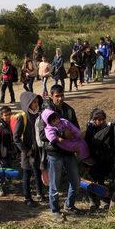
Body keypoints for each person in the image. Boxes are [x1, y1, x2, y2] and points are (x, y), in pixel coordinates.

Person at [39, 85, 81, 221]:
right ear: (51, 96)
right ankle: (55, 211)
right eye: (57, 96)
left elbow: (76, 129)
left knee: (75, 181)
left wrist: (75, 141)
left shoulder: (69, 110)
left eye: (62, 95)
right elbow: (42, 135)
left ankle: (69, 205)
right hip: (54, 153)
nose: (60, 98)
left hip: (69, 152)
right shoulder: (46, 113)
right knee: (54, 185)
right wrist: (61, 134)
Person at [13, 92, 45, 206]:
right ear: (27, 103)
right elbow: (16, 137)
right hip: (27, 153)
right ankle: (27, 197)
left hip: (38, 151)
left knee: (38, 172)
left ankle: (40, 194)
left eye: (37, 102)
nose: (36, 104)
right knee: (26, 175)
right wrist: (26, 150)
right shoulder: (23, 117)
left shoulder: (39, 114)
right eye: (33, 102)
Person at [84, 108, 112, 210]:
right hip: (91, 159)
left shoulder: (106, 128)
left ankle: (103, 200)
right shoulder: (90, 129)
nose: (99, 122)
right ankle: (92, 200)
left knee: (101, 180)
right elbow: (86, 146)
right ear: (93, 119)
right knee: (91, 181)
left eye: (101, 119)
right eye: (97, 119)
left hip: (102, 159)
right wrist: (86, 161)